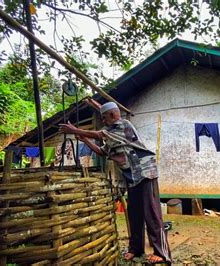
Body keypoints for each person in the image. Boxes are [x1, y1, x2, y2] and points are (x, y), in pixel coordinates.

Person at [59, 101, 172, 264]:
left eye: (104, 118)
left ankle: (162, 254)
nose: (103, 121)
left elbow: (99, 135)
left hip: (146, 172)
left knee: (152, 213)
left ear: (113, 115)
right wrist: (84, 139)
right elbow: (102, 151)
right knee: (134, 214)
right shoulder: (111, 134)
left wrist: (74, 130)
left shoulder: (123, 125)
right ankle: (136, 249)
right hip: (132, 177)